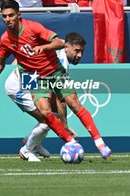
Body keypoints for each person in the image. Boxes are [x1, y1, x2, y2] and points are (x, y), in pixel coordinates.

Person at [0, 0, 112, 160]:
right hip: (33, 77)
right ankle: (67, 143)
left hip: (55, 71)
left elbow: (58, 42)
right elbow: (0, 63)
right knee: (45, 114)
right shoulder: (5, 39)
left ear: (18, 15)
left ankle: (100, 144)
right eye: (4, 16)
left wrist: (44, 47)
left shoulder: (33, 28)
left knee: (74, 104)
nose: (8, 19)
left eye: (11, 15)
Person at [5, 32, 85, 161]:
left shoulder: (56, 50)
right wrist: (64, 126)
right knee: (48, 120)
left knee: (51, 116)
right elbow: (61, 100)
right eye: (77, 51)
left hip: (31, 82)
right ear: (66, 47)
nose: (80, 55)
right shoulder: (62, 64)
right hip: (19, 87)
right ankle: (27, 150)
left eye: (82, 51)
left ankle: (32, 142)